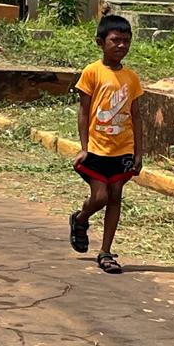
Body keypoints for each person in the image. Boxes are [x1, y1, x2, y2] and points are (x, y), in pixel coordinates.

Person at [68, 14, 144, 274]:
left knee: (115, 197)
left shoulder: (132, 78)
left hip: (122, 149)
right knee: (99, 196)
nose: (121, 46)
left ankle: (106, 252)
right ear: (100, 42)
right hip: (97, 149)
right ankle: (80, 218)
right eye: (115, 40)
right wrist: (84, 146)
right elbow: (83, 112)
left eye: (126, 41)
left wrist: (138, 152)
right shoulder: (92, 72)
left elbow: (136, 116)